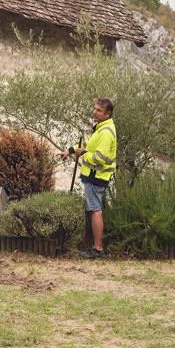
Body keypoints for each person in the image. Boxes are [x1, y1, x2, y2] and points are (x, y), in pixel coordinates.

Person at [59, 98, 117, 258]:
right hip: (92, 176)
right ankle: (88, 244)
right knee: (91, 210)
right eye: (94, 108)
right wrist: (70, 151)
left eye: (99, 110)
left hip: (96, 177)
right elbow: (87, 147)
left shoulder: (105, 132)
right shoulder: (100, 128)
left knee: (95, 210)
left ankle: (97, 249)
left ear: (108, 114)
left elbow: (100, 157)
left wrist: (82, 154)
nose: (94, 111)